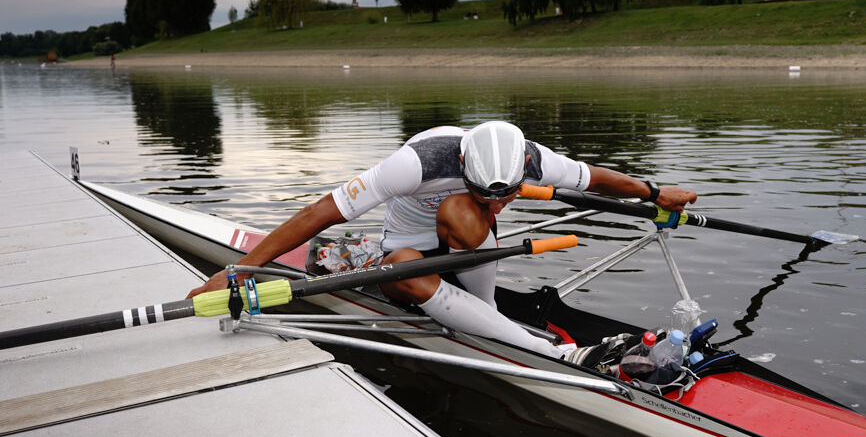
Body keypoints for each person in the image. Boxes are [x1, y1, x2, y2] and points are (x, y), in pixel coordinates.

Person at [187, 121, 697, 366]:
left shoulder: (533, 159)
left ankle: (485, 311)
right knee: (440, 229)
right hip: (407, 250)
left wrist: (654, 192)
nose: (499, 204)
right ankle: (546, 350)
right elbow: (321, 211)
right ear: (464, 165)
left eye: (506, 196)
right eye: (487, 194)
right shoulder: (416, 163)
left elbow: (596, 178)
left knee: (468, 217)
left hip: (470, 245)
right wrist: (240, 269)